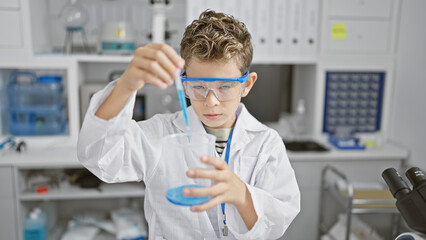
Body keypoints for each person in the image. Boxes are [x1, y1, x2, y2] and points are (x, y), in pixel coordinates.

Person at [77, 10, 300, 240]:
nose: (211, 101)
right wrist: (127, 84)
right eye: (198, 86)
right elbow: (98, 155)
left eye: (225, 87)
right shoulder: (162, 134)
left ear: (247, 84)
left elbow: (276, 223)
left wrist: (241, 195)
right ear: (183, 84)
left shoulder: (265, 143)